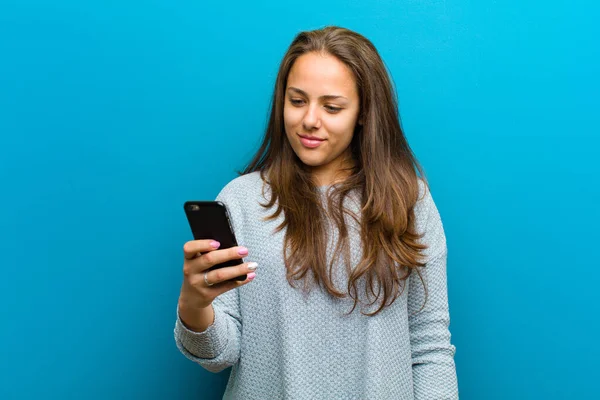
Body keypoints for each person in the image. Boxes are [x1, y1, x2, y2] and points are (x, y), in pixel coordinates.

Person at [174, 26, 458, 399]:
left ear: (362, 113)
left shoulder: (408, 200)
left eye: (332, 106)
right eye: (297, 101)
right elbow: (218, 355)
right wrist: (194, 304)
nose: (310, 120)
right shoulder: (241, 201)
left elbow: (430, 346)